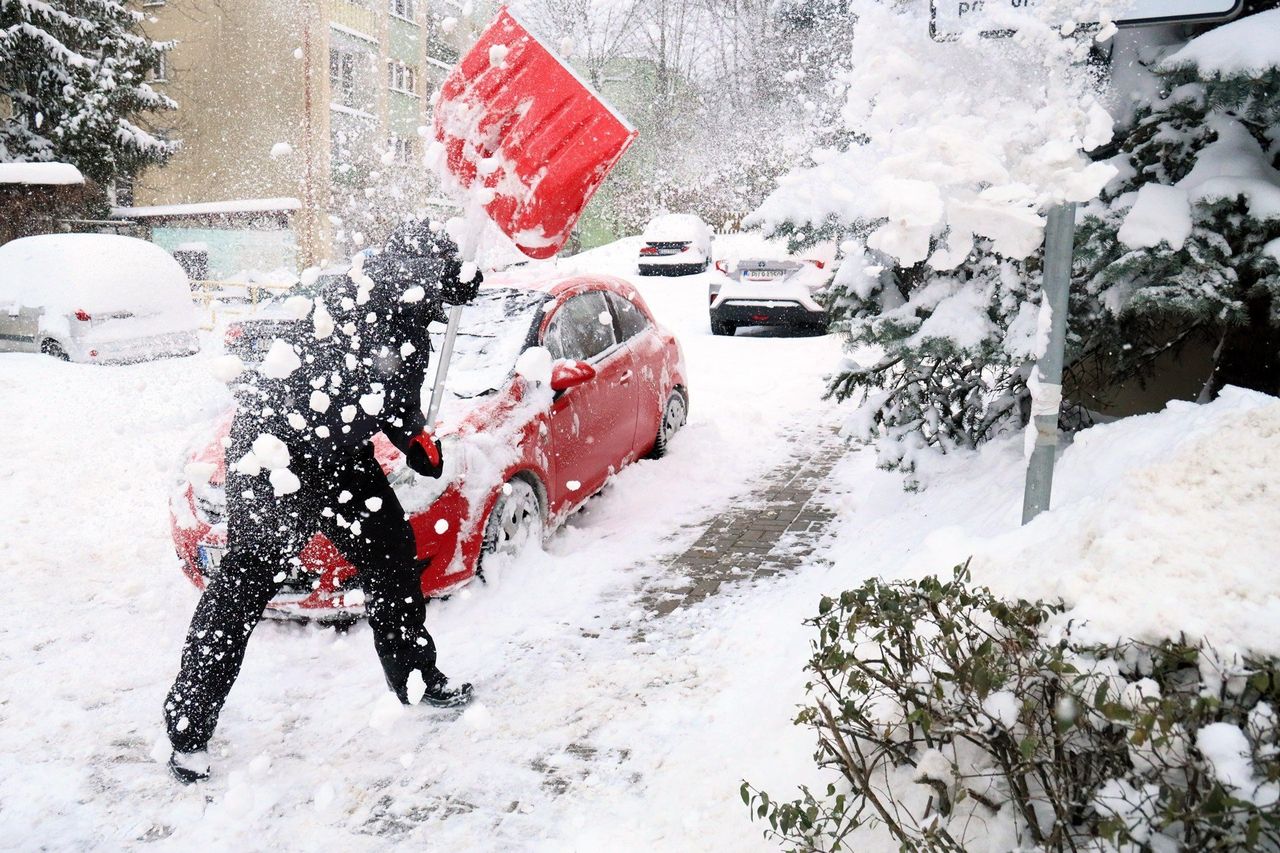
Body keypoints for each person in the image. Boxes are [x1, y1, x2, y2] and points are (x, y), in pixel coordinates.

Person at [163, 222, 481, 784]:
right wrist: (418, 444)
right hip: (275, 459)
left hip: (334, 452)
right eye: (451, 293)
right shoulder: (399, 315)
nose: (450, 305)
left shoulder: (354, 285)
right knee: (243, 587)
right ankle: (188, 732)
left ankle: (415, 679)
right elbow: (394, 404)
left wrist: (409, 436)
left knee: (388, 556)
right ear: (430, 281)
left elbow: (369, 395)